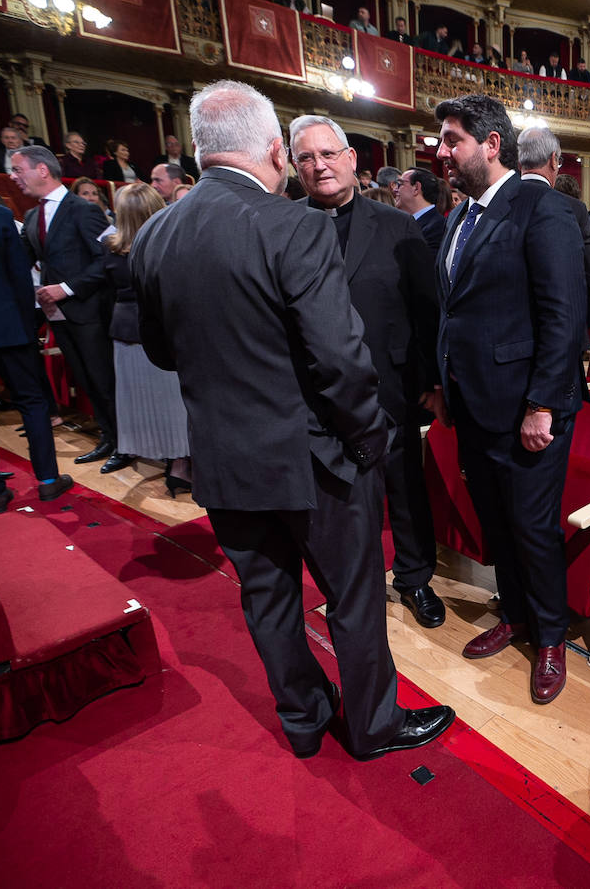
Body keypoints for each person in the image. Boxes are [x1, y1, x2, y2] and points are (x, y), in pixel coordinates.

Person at [130, 80, 454, 759]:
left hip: (221, 456)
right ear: (276, 151)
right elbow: (341, 359)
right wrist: (369, 442)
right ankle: (372, 726)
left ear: (199, 150)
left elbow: (161, 352)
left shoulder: (156, 232)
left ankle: (305, 721)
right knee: (355, 599)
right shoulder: (292, 223)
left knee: (268, 597)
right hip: (316, 461)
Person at [431, 93, 587, 704]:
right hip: (473, 401)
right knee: (497, 520)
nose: (441, 152)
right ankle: (517, 614)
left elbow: (563, 316)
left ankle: (551, 636)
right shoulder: (460, 216)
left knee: (530, 525)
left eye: (452, 140)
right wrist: (442, 383)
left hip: (528, 407)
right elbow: (454, 311)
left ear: (492, 144)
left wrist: (543, 403)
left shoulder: (540, 207)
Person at [290, 113, 444, 633]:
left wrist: (429, 382)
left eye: (329, 154)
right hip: (314, 396)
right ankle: (353, 587)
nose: (319, 166)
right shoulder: (283, 226)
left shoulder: (398, 226)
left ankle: (416, 577)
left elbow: (427, 312)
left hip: (392, 386)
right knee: (339, 498)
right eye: (307, 157)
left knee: (404, 486)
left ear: (352, 159)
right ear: (294, 166)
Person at [0, 179, 73, 513]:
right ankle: (47, 481)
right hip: (8, 328)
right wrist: (26, 326)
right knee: (32, 402)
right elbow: (19, 277)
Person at [14, 145, 119, 468]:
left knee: (102, 381)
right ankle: (109, 436)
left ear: (42, 170)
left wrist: (66, 288)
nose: (13, 176)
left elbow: (106, 260)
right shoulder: (32, 215)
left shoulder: (82, 210)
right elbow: (23, 261)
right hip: (57, 314)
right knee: (86, 381)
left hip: (88, 312)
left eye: (18, 169)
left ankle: (122, 443)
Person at [103, 183, 191, 491]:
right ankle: (179, 466)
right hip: (163, 333)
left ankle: (167, 460)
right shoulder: (167, 245)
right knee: (174, 405)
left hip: (125, 334)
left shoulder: (111, 248)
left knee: (143, 404)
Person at [516, 126, 590, 318]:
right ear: (554, 161)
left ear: (519, 161)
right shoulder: (574, 208)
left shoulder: (497, 200)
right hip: (559, 320)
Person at [392, 167, 446, 263]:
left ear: (416, 188)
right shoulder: (402, 224)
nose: (395, 190)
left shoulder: (437, 227)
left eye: (400, 184)